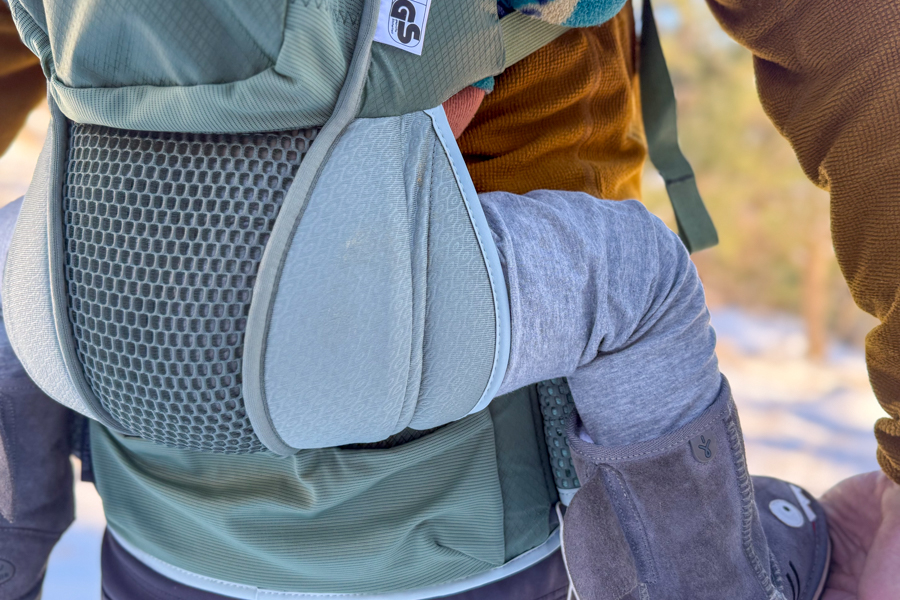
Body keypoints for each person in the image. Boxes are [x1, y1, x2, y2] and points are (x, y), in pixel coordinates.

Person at [0, 2, 898, 600]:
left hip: (132, 395)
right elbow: (859, 48)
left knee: (13, 253)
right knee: (644, 284)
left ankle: (14, 539)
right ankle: (711, 579)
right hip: (458, 435)